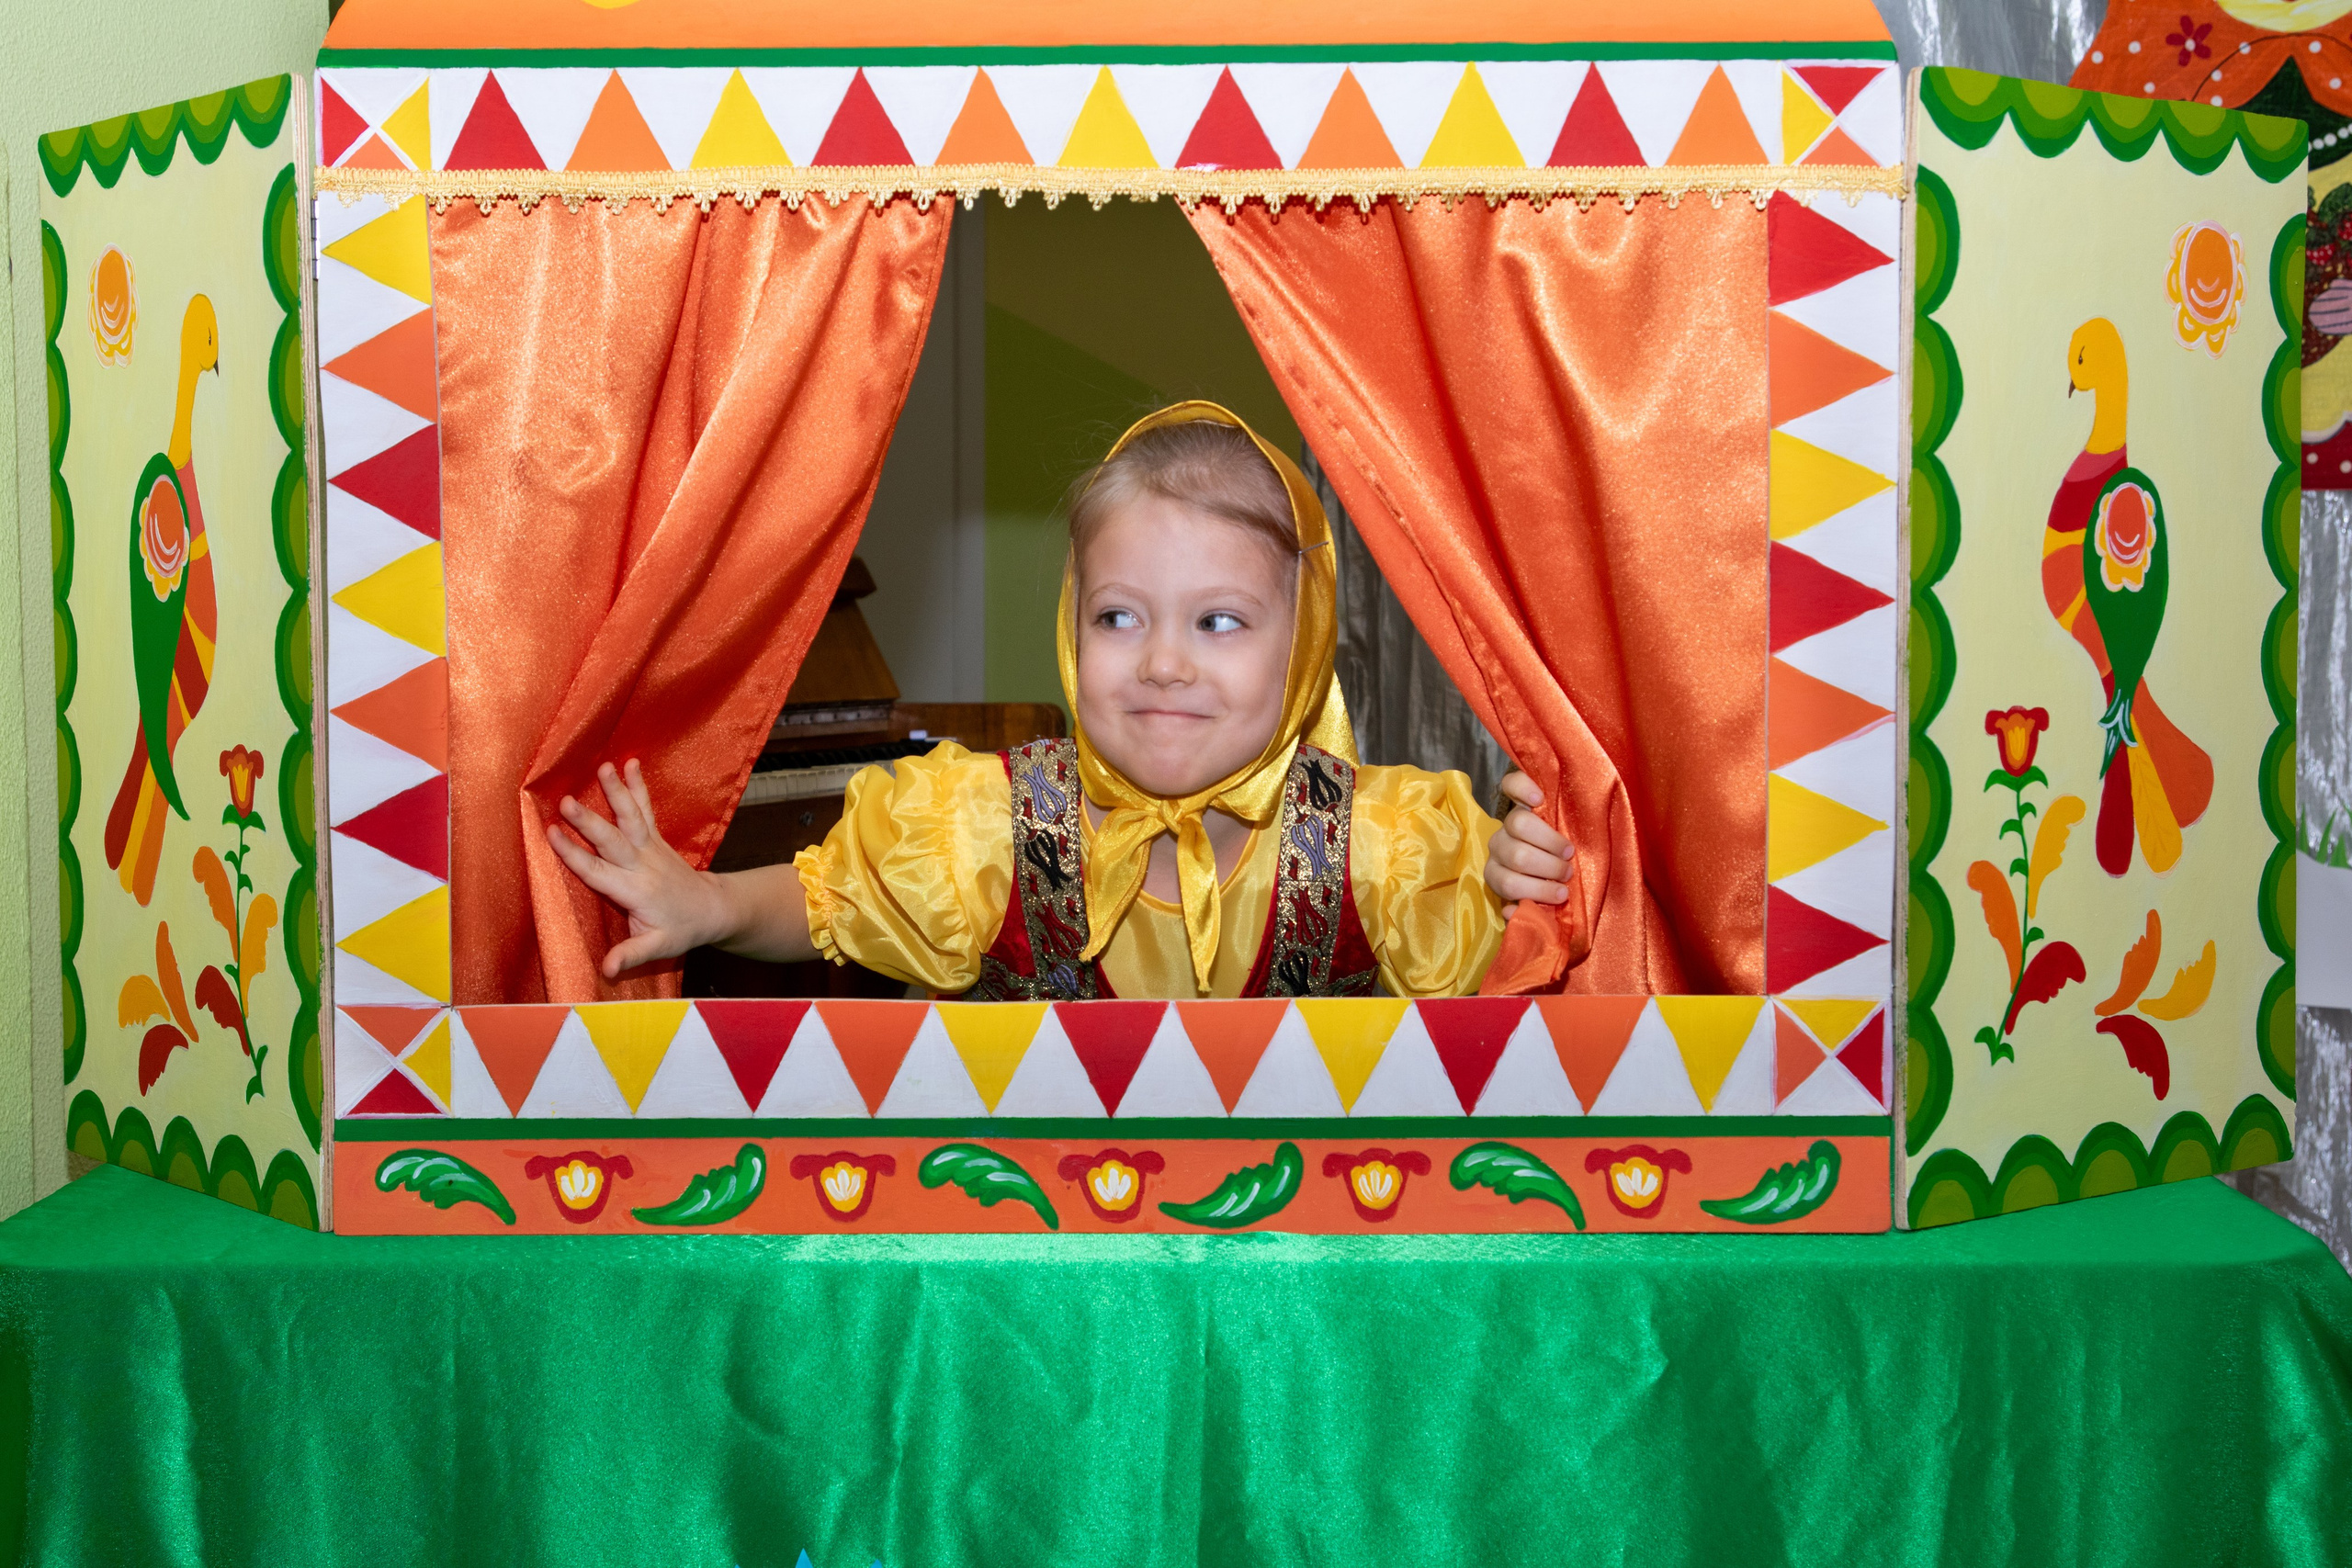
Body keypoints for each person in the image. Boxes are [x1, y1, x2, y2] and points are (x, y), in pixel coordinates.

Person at [548, 401, 1575, 999]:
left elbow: (1512, 995)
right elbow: (832, 901)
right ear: (1070, 623)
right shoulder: (987, 824)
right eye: (1120, 619)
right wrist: (714, 904)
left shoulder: (1395, 848)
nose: (1163, 663)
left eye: (1218, 623)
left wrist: (1521, 887)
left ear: (1302, 647)